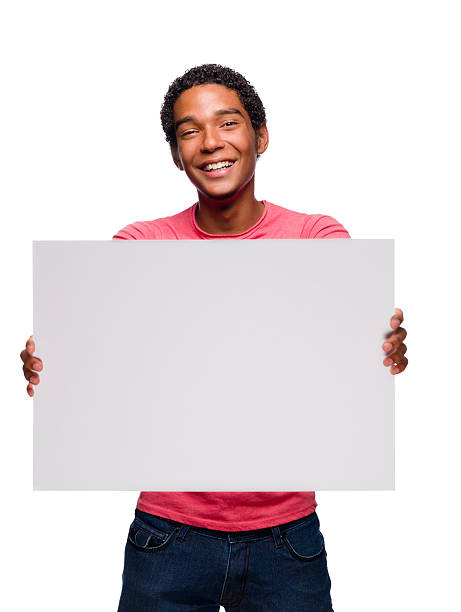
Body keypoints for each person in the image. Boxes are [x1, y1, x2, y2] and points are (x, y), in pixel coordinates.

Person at [20, 64, 408, 611]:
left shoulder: (315, 236)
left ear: (261, 136)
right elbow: (99, 359)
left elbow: (341, 355)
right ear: (176, 154)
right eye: (188, 131)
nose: (210, 143)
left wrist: (378, 350)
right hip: (168, 535)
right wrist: (54, 364)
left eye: (228, 123)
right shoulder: (140, 244)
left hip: (286, 537)